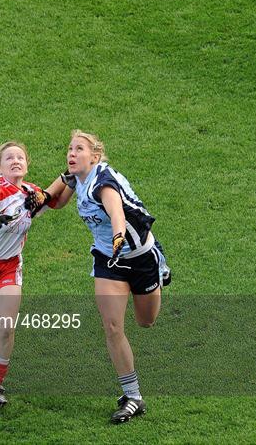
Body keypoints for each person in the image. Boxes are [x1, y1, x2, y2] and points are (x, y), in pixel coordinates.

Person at [27, 130, 171, 424]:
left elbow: (116, 212)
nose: (71, 152)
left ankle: (160, 268)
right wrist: (37, 200)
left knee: (146, 321)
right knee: (113, 326)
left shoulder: (103, 182)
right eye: (69, 148)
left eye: (79, 148)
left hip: (139, 255)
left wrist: (119, 237)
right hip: (108, 260)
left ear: (94, 156)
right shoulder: (76, 177)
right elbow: (56, 198)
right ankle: (133, 396)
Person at [0, 141, 61, 406]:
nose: (16, 161)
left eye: (20, 157)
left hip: (8, 266)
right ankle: (0, 349)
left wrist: (68, 180)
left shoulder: (31, 192)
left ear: (27, 163)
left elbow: (55, 200)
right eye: (9, 158)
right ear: (0, 166)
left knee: (6, 328)